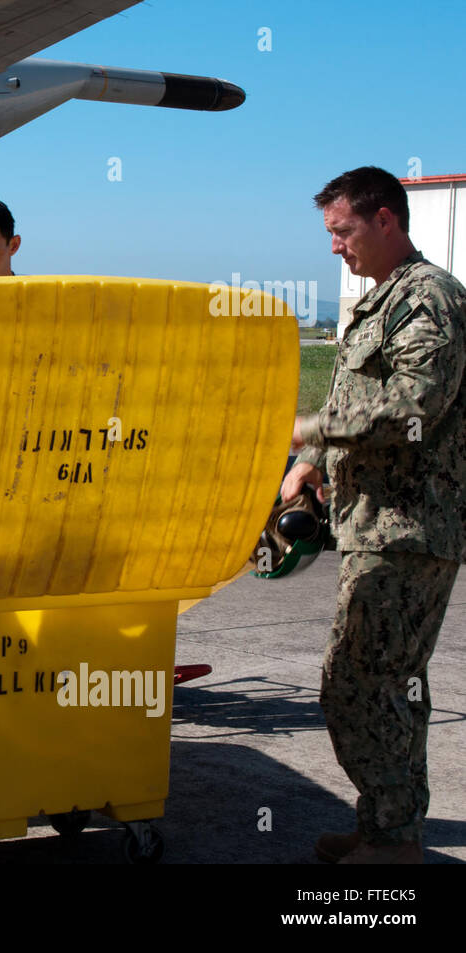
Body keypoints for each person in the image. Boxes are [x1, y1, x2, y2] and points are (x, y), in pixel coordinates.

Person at [283, 166, 466, 864]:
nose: (335, 246)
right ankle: (386, 826)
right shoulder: (384, 298)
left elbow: (414, 405)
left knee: (362, 683)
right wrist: (317, 467)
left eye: (343, 230)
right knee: (386, 686)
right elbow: (368, 401)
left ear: (385, 218)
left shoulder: (427, 300)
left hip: (409, 528)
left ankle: (391, 848)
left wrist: (309, 429)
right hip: (378, 525)